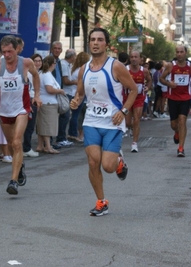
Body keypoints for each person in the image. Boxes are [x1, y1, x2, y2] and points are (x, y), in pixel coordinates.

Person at [70, 28, 138, 216]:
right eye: (92, 39)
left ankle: (118, 162)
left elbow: (133, 90)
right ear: (89, 43)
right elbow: (80, 93)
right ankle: (101, 202)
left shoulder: (115, 66)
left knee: (107, 166)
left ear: (106, 44)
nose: (95, 43)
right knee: (93, 162)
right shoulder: (84, 69)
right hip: (91, 121)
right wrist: (76, 100)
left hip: (112, 123)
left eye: (100, 39)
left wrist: (123, 111)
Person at [0, 35, 42, 195]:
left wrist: (37, 95)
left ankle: (13, 181)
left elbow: (36, 76)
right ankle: (20, 164)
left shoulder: (26, 63)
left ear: (16, 49)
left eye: (10, 51)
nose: (7, 55)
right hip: (4, 110)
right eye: (4, 52)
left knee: (17, 142)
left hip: (22, 108)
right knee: (11, 145)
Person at [159, 45, 191, 157]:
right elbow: (161, 78)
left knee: (182, 120)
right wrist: (169, 84)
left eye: (181, 52)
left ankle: (181, 148)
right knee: (174, 124)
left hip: (185, 98)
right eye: (177, 52)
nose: (179, 54)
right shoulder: (171, 66)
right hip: (173, 98)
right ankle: (177, 132)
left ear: (185, 53)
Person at [35, 55, 65, 154]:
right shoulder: (47, 74)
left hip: (43, 101)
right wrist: (60, 91)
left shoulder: (41, 73)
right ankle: (48, 146)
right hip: (48, 103)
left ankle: (40, 145)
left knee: (42, 124)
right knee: (48, 125)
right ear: (53, 64)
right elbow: (49, 89)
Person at [123, 51, 152, 152]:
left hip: (139, 98)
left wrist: (147, 87)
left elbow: (149, 80)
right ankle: (131, 128)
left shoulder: (144, 71)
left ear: (140, 59)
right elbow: (118, 80)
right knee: (127, 122)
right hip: (127, 98)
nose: (134, 59)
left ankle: (134, 143)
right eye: (131, 57)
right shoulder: (125, 70)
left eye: (136, 57)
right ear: (129, 59)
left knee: (136, 120)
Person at [50, 41, 73, 148]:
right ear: (52, 49)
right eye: (55, 48)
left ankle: (60, 138)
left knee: (64, 114)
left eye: (59, 49)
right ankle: (52, 141)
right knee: (52, 117)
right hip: (51, 92)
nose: (57, 50)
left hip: (59, 91)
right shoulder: (49, 60)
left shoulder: (58, 61)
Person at [67, 52, 91, 142]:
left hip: (73, 93)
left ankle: (74, 133)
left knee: (76, 115)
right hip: (80, 94)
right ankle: (76, 134)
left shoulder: (74, 69)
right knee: (80, 116)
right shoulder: (83, 70)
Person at [23, 53, 43, 157]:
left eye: (40, 61)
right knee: (29, 126)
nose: (38, 63)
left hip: (33, 99)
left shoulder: (37, 73)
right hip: (30, 99)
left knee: (30, 126)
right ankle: (26, 148)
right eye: (35, 61)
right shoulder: (30, 73)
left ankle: (26, 147)